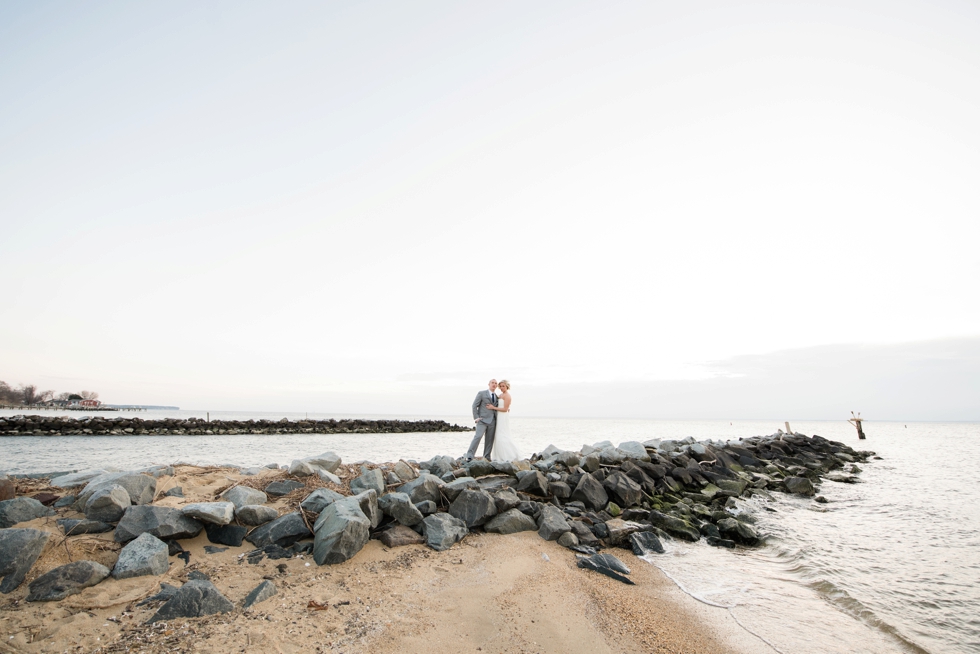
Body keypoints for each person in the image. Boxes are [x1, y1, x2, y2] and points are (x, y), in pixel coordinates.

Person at [486, 380, 521, 462]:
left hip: (503, 416)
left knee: (503, 435)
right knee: (497, 435)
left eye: (503, 386)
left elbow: (505, 409)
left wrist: (493, 408)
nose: (501, 388)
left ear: (507, 386)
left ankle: (509, 455)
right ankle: (499, 456)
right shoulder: (500, 395)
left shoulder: (508, 396)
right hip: (498, 416)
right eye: (500, 386)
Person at [465, 379, 498, 461]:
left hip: (493, 421)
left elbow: (497, 408)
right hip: (482, 420)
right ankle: (469, 455)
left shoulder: (497, 396)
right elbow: (474, 405)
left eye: (495, 383)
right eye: (492, 383)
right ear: (489, 384)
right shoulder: (482, 393)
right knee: (478, 436)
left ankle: (486, 457)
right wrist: (476, 417)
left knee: (489, 440)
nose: (494, 384)